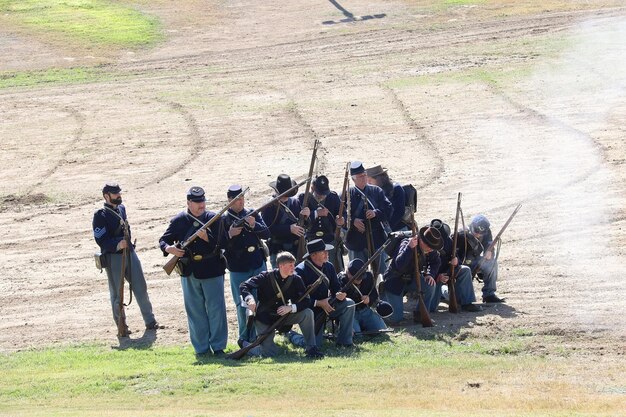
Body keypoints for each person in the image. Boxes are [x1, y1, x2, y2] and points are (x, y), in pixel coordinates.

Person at [159, 186, 228, 356]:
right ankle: (201, 349)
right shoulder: (179, 220)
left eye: (202, 201)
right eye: (197, 202)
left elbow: (224, 243)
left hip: (212, 269)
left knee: (216, 310)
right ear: (188, 203)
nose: (201, 205)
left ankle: (218, 347)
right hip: (189, 270)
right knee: (195, 311)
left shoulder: (214, 218)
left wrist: (207, 238)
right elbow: (163, 240)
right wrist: (169, 249)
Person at [92, 183, 159, 334]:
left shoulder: (121, 209)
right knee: (117, 293)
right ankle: (121, 326)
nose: (118, 196)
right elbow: (101, 240)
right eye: (115, 194)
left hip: (129, 252)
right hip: (114, 257)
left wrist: (126, 244)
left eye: (119, 193)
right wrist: (117, 244)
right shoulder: (100, 215)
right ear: (106, 196)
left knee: (140, 287)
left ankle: (150, 321)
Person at [239, 251, 323, 358]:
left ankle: (311, 348)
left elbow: (306, 301)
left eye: (294, 264)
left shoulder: (296, 279)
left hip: (283, 316)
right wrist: (249, 299)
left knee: (308, 313)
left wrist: (291, 308)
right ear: (281, 266)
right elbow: (244, 285)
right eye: (290, 265)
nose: (294, 268)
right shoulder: (266, 277)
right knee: (269, 354)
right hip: (264, 317)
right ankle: (244, 344)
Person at [221, 184, 270, 343]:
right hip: (238, 266)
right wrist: (229, 234)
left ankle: (261, 335)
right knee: (242, 303)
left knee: (261, 300)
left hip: (257, 262)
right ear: (229, 200)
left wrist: (254, 224)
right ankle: (244, 337)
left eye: (242, 198)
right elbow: (218, 244)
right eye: (236, 199)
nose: (240, 202)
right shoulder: (223, 219)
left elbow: (266, 233)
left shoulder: (251, 213)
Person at [288, 239, 355, 348]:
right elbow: (297, 299)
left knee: (349, 303)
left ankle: (345, 341)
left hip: (329, 305)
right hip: (311, 311)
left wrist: (339, 294)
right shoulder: (300, 271)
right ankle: (292, 335)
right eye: (323, 251)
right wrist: (318, 303)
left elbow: (336, 287)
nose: (327, 253)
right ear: (313, 255)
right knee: (313, 345)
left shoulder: (329, 266)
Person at [382, 225, 442, 324]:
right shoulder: (406, 244)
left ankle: (421, 314)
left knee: (430, 284)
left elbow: (436, 262)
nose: (431, 250)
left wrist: (430, 274)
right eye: (429, 247)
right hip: (395, 281)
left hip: (412, 279)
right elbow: (399, 264)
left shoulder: (429, 249)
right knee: (395, 319)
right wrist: (410, 248)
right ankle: (384, 299)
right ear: (422, 241)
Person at [344, 161, 393, 274]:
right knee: (358, 274)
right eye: (360, 176)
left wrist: (376, 213)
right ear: (353, 179)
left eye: (365, 174)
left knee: (381, 273)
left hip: (377, 239)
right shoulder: (347, 194)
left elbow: (388, 210)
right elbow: (341, 216)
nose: (364, 177)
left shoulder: (376, 191)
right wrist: (352, 222)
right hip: (356, 241)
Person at [428, 219, 482, 313]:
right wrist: (437, 277)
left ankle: (467, 303)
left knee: (465, 270)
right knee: (431, 308)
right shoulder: (426, 243)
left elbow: (458, 259)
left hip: (447, 271)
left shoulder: (448, 241)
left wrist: (456, 262)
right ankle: (443, 292)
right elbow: (423, 268)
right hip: (433, 276)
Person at [261, 174, 310, 267]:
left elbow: (303, 224)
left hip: (296, 249)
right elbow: (267, 230)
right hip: (278, 250)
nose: (286, 197)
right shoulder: (269, 206)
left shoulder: (295, 202)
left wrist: (306, 217)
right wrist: (289, 229)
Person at [298, 175, 345, 270]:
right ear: (312, 188)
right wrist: (316, 213)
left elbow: (342, 214)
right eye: (320, 193)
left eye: (324, 193)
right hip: (312, 240)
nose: (323, 196)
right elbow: (300, 221)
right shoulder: (304, 198)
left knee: (334, 269)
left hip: (329, 239)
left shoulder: (333, 197)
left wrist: (341, 221)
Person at [457, 214, 503, 303]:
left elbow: (489, 245)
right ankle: (443, 293)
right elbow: (455, 254)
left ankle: (489, 294)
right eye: (476, 232)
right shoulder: (461, 234)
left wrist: (490, 252)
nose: (478, 234)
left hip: (475, 261)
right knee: (456, 296)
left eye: (480, 233)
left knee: (492, 264)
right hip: (462, 265)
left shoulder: (486, 232)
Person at [339, 259, 389, 333]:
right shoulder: (340, 280)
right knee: (356, 335)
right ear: (349, 274)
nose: (360, 280)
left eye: (362, 277)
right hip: (350, 314)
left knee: (382, 330)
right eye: (358, 278)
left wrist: (369, 299)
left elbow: (374, 294)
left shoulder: (368, 276)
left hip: (365, 310)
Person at [365, 165, 406, 232]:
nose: (368, 183)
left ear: (379, 179)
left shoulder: (396, 189)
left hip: (398, 228)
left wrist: (387, 229)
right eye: (367, 181)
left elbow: (399, 212)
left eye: (370, 180)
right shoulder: (371, 191)